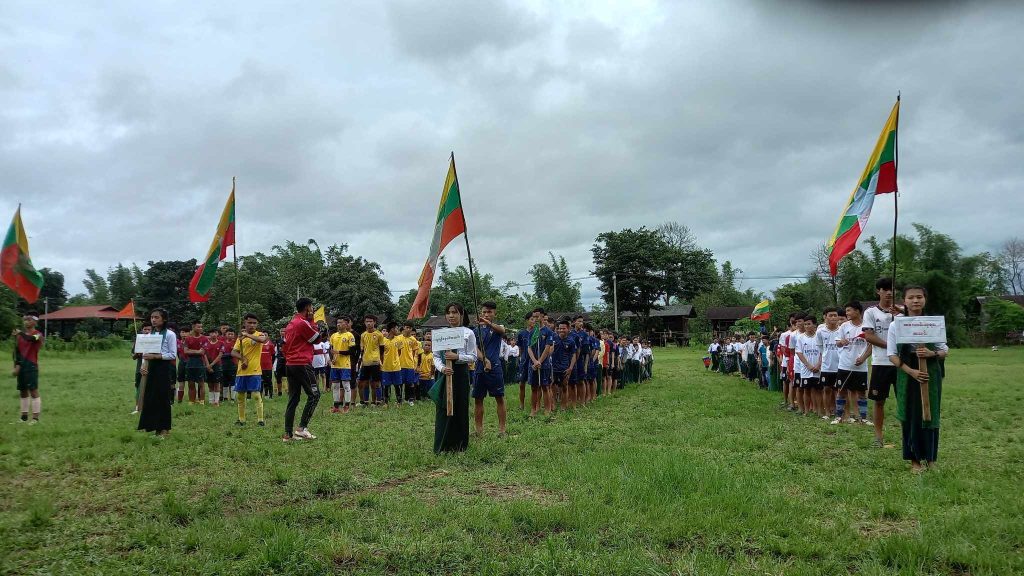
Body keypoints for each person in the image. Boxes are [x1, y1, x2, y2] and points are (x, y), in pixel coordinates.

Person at [887, 285, 948, 472]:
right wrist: (911, 371)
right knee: (911, 414)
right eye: (911, 297)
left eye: (919, 297)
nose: (915, 301)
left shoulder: (933, 323)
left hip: (930, 371)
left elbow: (945, 350)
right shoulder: (895, 324)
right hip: (908, 372)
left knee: (930, 414)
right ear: (904, 301)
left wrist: (932, 353)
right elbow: (892, 355)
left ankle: (930, 459)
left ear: (925, 299)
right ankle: (914, 460)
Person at [433, 303, 476, 454]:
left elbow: (473, 357)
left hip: (460, 374)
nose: (451, 315)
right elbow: (436, 357)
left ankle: (460, 446)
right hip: (445, 374)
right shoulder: (441, 334)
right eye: (449, 312)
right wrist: (442, 368)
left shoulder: (468, 333)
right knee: (443, 409)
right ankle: (442, 445)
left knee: (460, 408)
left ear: (461, 314)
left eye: (455, 312)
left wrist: (457, 357)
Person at [863, 277, 900, 448]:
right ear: (878, 291)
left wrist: (900, 314)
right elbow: (869, 336)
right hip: (880, 362)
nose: (889, 292)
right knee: (879, 401)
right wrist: (890, 345)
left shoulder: (902, 311)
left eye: (892, 289)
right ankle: (878, 437)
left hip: (901, 363)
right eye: (885, 289)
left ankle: (907, 434)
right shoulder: (871, 312)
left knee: (905, 400)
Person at [282, 298, 323, 442]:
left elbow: (284, 346)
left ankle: (288, 434)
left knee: (293, 398)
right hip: (302, 363)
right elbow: (317, 339)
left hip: (290, 364)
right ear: (307, 308)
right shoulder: (302, 323)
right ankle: (302, 428)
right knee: (315, 395)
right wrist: (314, 322)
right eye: (311, 308)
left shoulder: (290, 324)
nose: (313, 310)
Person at [137, 309, 175, 436]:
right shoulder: (148, 335)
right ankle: (153, 427)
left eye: (156, 317)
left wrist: (158, 357)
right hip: (150, 368)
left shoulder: (170, 335)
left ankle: (165, 429)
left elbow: (172, 354)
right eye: (152, 317)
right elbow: (144, 354)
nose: (153, 320)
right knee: (150, 397)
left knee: (163, 397)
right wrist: (143, 365)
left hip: (163, 368)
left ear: (163, 319)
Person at [473, 301, 507, 436]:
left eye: (489, 312)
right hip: (480, 368)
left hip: (495, 367)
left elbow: (502, 331)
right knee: (478, 399)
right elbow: (474, 348)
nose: (486, 314)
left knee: (499, 398)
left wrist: (487, 323)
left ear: (494, 313)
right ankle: (479, 430)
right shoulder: (475, 331)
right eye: (484, 312)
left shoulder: (497, 328)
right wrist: (484, 359)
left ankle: (502, 430)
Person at [835, 301, 872, 425]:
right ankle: (838, 417)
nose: (847, 313)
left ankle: (863, 417)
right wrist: (842, 342)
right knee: (842, 391)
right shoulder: (844, 326)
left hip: (861, 367)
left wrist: (863, 358)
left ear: (857, 311)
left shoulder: (868, 326)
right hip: (844, 364)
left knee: (861, 392)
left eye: (849, 310)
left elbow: (871, 345)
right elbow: (837, 342)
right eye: (846, 311)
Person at [232, 313, 269, 426]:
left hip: (255, 371)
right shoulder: (240, 338)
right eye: (249, 323)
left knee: (256, 395)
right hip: (241, 371)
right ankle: (241, 419)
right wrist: (243, 359)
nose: (252, 325)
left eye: (254, 323)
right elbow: (233, 352)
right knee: (240, 396)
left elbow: (263, 340)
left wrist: (247, 335)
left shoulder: (259, 334)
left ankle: (260, 420)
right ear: (245, 323)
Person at [12, 314, 44, 423]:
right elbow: (17, 352)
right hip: (22, 366)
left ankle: (35, 418)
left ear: (35, 322)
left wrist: (20, 332)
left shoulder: (38, 334)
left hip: (31, 365)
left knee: (33, 391)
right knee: (22, 391)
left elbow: (30, 339)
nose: (26, 322)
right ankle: (24, 417)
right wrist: (16, 366)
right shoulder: (20, 336)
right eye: (25, 319)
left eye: (29, 320)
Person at [816, 308, 842, 420]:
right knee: (827, 389)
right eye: (830, 315)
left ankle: (838, 412)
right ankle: (827, 412)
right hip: (827, 366)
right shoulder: (820, 331)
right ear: (825, 317)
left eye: (835, 315)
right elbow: (821, 347)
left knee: (839, 390)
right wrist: (824, 358)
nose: (833, 318)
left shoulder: (842, 330)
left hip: (840, 365)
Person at [329, 316, 356, 413]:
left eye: (341, 322)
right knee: (335, 386)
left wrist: (339, 352)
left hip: (345, 365)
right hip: (335, 365)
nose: (339, 324)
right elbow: (331, 350)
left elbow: (352, 351)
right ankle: (336, 406)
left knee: (346, 385)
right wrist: (331, 359)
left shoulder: (350, 335)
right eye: (337, 323)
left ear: (346, 324)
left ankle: (347, 406)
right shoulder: (333, 336)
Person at [357, 315, 385, 407]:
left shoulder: (379, 334)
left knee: (375, 383)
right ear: (364, 323)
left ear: (374, 322)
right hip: (365, 362)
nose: (369, 323)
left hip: (375, 362)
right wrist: (360, 362)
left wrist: (381, 362)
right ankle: (364, 401)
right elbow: (362, 350)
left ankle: (376, 401)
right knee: (363, 383)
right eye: (367, 321)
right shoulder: (363, 335)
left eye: (370, 321)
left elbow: (382, 350)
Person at [550, 319, 577, 413]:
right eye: (559, 328)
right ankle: (552, 404)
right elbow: (548, 351)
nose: (561, 330)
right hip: (553, 367)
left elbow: (574, 355)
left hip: (565, 368)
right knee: (552, 385)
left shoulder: (571, 341)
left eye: (563, 328)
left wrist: (570, 368)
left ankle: (563, 407)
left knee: (564, 387)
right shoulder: (553, 339)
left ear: (568, 329)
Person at [380, 322, 403, 407]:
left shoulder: (398, 339)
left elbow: (399, 352)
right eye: (396, 328)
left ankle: (399, 402)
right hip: (386, 367)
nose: (397, 330)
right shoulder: (383, 340)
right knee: (386, 385)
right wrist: (383, 363)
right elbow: (381, 354)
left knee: (397, 385)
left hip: (396, 367)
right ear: (392, 329)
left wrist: (395, 359)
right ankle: (386, 402)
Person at [131, 324, 152, 414]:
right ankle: (138, 406)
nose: (147, 331)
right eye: (145, 329)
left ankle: (149, 406)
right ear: (142, 330)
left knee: (150, 387)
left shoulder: (156, 341)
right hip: (140, 367)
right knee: (138, 387)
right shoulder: (138, 341)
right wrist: (137, 354)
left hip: (151, 368)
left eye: (149, 329)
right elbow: (133, 357)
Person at [399, 323, 421, 407]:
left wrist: (415, 363)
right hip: (400, 364)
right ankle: (400, 399)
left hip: (410, 364)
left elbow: (416, 352)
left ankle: (410, 399)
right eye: (407, 327)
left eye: (410, 328)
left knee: (410, 383)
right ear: (404, 328)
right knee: (400, 383)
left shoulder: (413, 340)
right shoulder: (398, 338)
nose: (408, 329)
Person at [203, 328, 224, 406]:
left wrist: (211, 365)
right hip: (207, 365)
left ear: (217, 334)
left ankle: (216, 401)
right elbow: (204, 354)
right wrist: (208, 365)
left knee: (217, 383)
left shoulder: (221, 343)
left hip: (217, 366)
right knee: (210, 384)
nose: (213, 334)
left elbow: (220, 355)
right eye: (211, 333)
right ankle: (211, 400)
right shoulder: (206, 344)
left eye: (215, 333)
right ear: (209, 335)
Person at [417, 331, 435, 402]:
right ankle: (422, 397)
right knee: (421, 388)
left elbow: (433, 366)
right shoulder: (420, 355)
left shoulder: (432, 355)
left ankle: (430, 398)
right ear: (422, 346)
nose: (427, 347)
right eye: (425, 345)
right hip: (421, 375)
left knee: (430, 388)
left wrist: (431, 374)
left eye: (429, 345)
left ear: (431, 347)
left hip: (429, 376)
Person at [221, 328, 238, 402]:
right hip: (223, 365)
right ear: (225, 335)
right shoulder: (222, 343)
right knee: (224, 382)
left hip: (233, 364)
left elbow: (236, 353)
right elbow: (220, 354)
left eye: (232, 334)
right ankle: (225, 397)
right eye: (229, 334)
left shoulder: (236, 343)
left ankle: (233, 398)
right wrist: (229, 354)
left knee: (233, 381)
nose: (230, 335)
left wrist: (227, 354)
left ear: (234, 335)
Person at [260, 333, 276, 399]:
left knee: (269, 381)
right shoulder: (258, 344)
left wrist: (271, 363)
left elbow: (273, 356)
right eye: (262, 335)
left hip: (268, 366)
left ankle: (270, 396)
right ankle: (261, 396)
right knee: (261, 381)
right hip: (260, 366)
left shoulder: (271, 345)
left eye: (265, 335)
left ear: (267, 336)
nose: (263, 336)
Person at [273, 328, 287, 397]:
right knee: (278, 376)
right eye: (281, 331)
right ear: (280, 332)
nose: (283, 332)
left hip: (287, 359)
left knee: (289, 376)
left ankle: (289, 391)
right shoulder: (277, 340)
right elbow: (276, 351)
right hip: (279, 360)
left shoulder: (289, 339)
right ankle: (280, 392)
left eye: (284, 331)